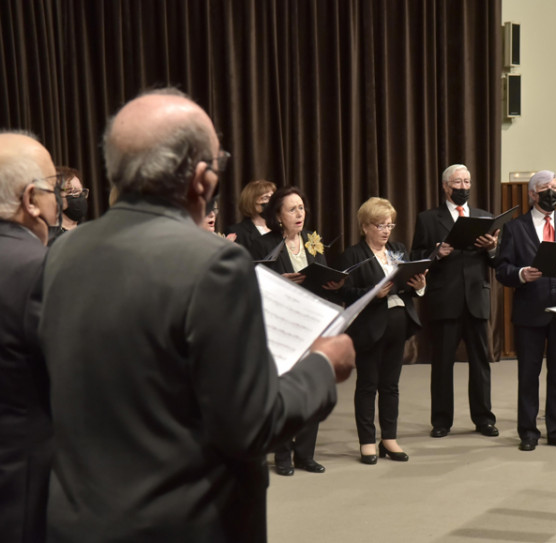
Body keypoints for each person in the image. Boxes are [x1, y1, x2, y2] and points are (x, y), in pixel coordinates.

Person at [38, 88, 355, 542]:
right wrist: (323, 365)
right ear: (203, 179)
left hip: (80, 519)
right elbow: (251, 424)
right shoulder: (214, 263)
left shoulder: (62, 252)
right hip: (183, 523)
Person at [495, 170, 556, 451]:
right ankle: (528, 431)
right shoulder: (516, 228)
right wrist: (521, 274)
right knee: (528, 373)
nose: (552, 192)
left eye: (555, 187)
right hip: (530, 310)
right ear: (532, 194)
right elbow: (502, 270)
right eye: (545, 187)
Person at [249, 186, 343, 475]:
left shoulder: (313, 241)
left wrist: (334, 284)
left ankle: (305, 454)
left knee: (312, 386)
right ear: (278, 216)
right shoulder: (267, 245)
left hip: (313, 322)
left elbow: (323, 274)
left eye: (301, 207)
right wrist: (281, 280)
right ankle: (283, 456)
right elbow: (256, 283)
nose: (299, 214)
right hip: (283, 324)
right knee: (285, 390)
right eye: (292, 209)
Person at [0, 131, 61, 543]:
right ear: (31, 200)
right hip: (23, 493)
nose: (60, 202)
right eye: (55, 190)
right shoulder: (42, 270)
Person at [411, 164, 499, 439]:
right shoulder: (428, 218)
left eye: (467, 181)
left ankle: (484, 419)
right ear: (446, 186)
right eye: (458, 182)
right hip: (444, 299)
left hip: (476, 297)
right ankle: (441, 421)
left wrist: (492, 248)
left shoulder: (484, 217)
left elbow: (496, 260)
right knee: (442, 364)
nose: (464, 187)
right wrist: (436, 253)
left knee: (480, 362)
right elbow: (416, 255)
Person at [340, 197, 426, 464]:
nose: (386, 230)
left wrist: (419, 283)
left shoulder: (398, 249)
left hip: (398, 326)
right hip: (369, 328)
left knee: (390, 385)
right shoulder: (353, 255)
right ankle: (367, 441)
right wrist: (374, 293)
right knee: (368, 385)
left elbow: (408, 285)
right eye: (380, 225)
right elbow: (345, 292)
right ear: (365, 227)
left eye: (390, 224)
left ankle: (389, 438)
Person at [226, 179, 275, 250]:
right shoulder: (237, 232)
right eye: (265, 198)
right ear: (251, 201)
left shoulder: (280, 228)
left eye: (273, 197)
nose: (271, 201)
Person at [59, 166, 88, 231]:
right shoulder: (47, 237)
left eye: (80, 192)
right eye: (73, 192)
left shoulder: (88, 232)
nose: (80, 197)